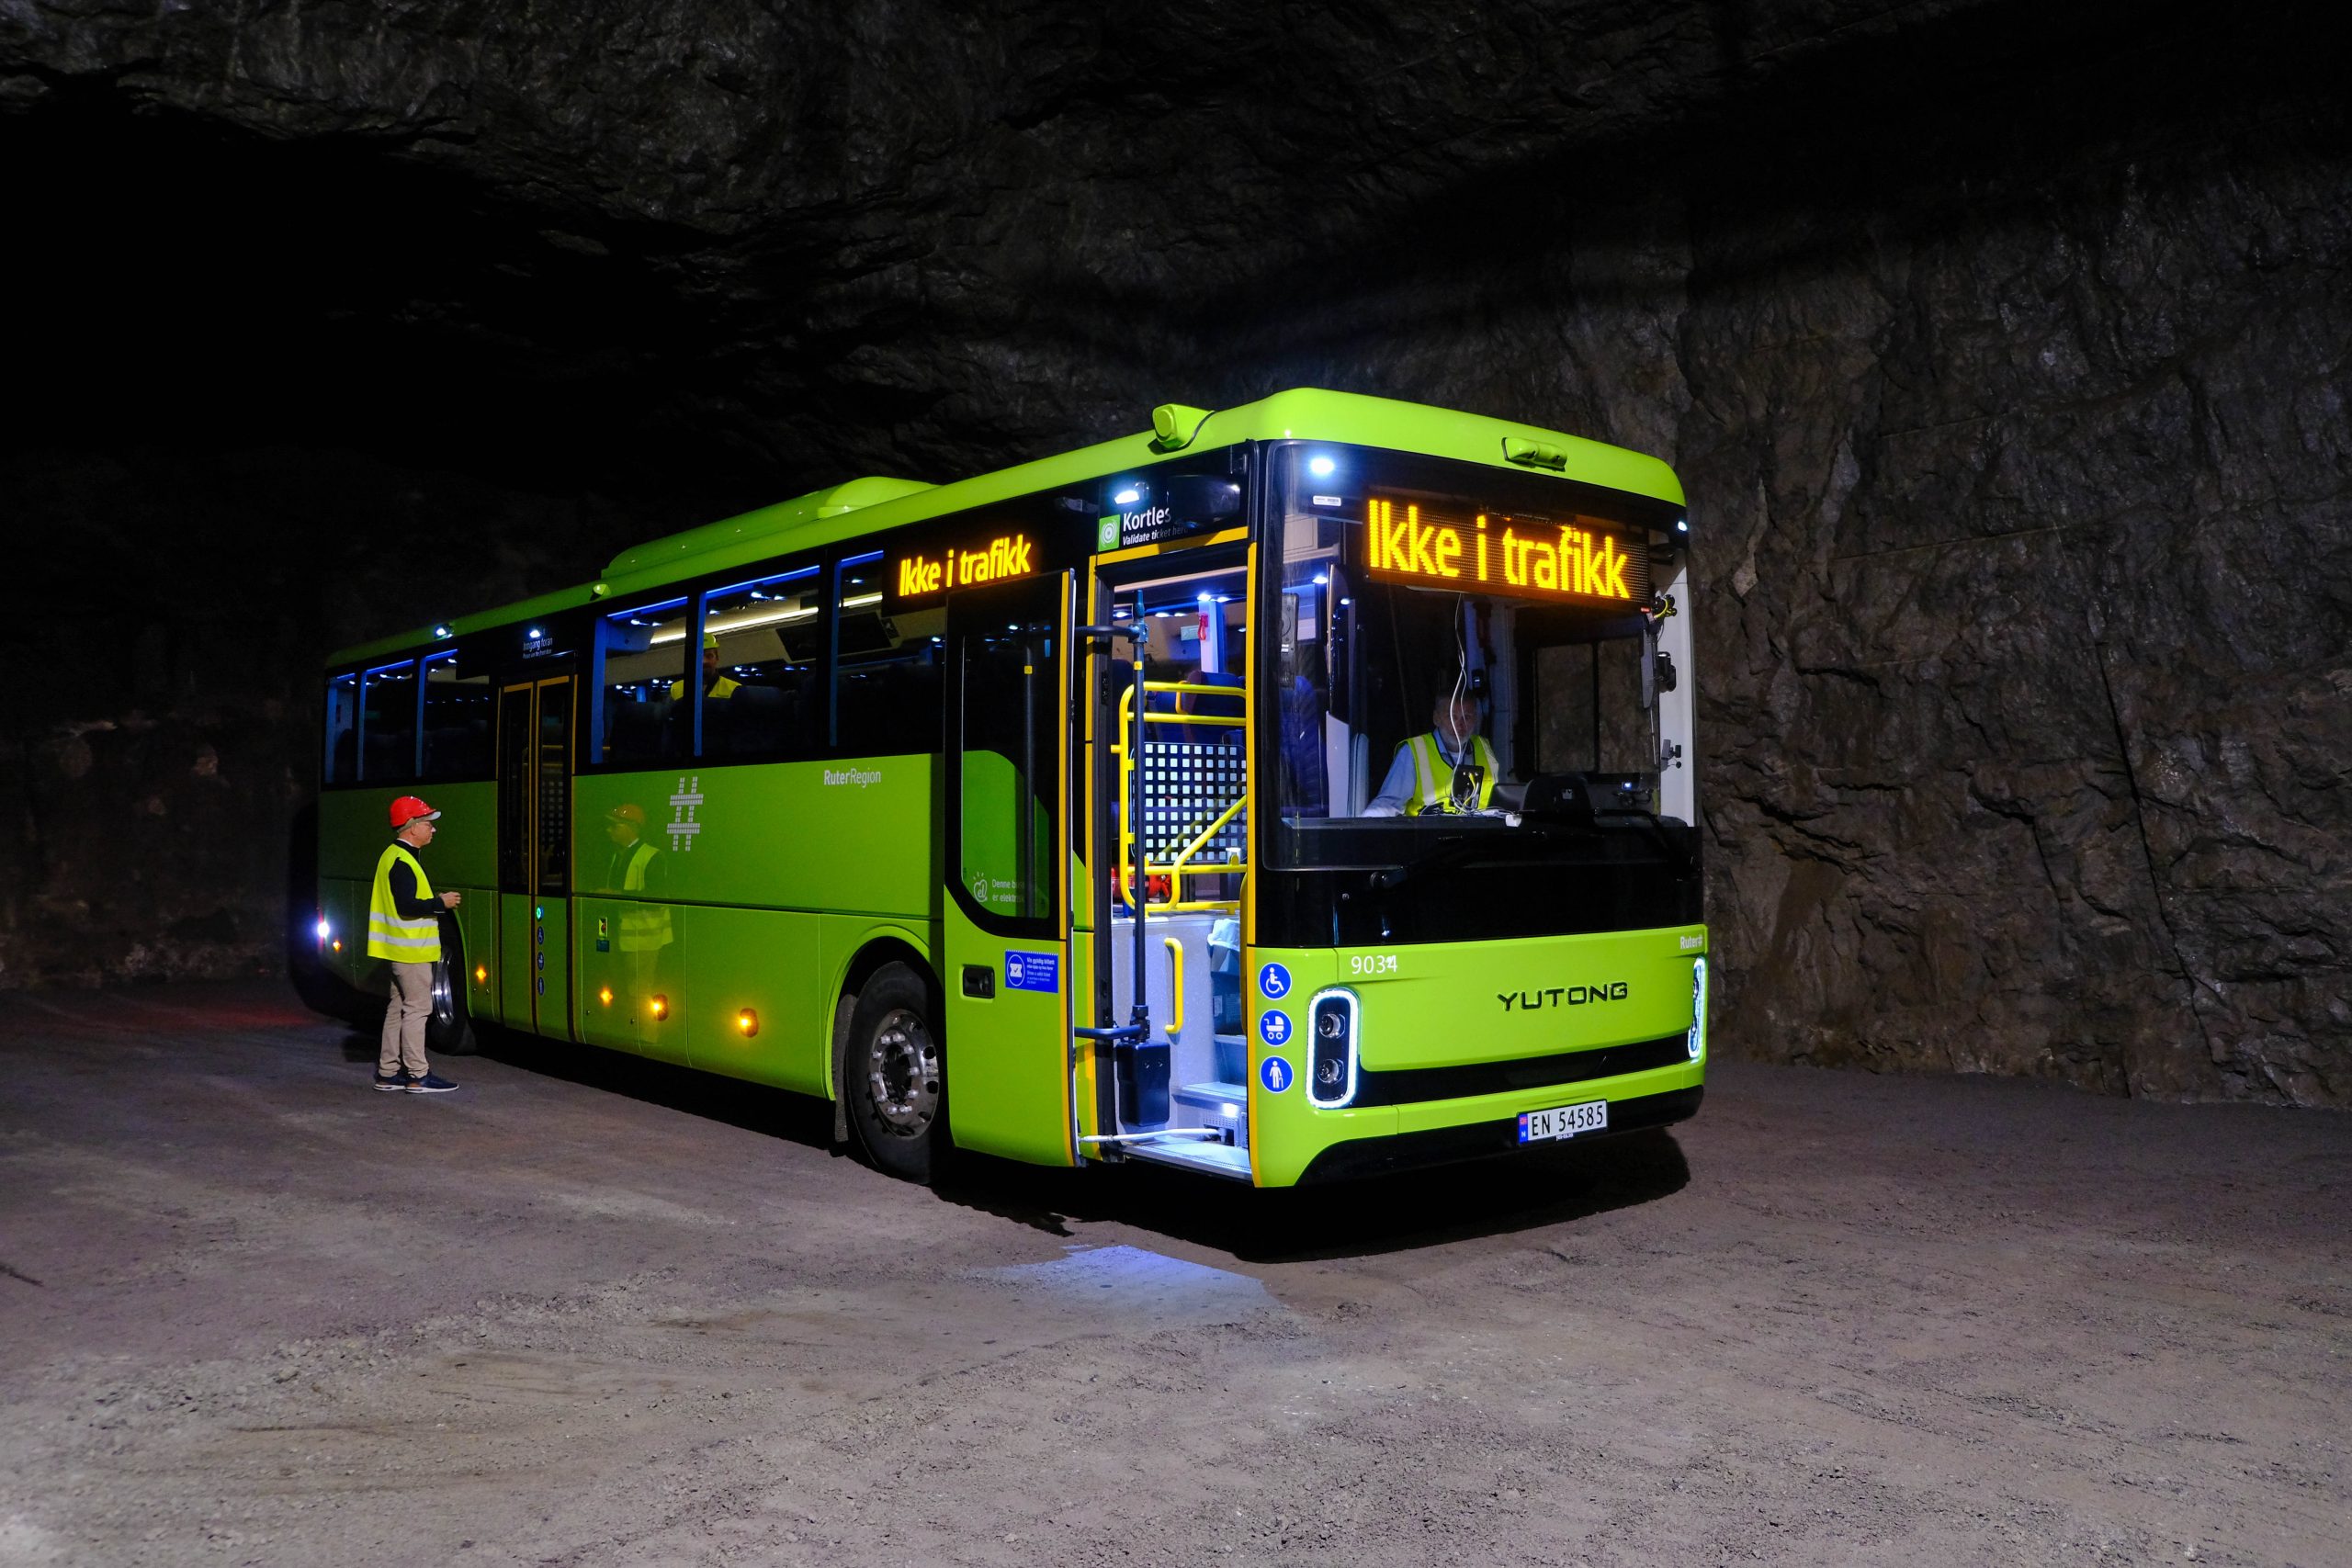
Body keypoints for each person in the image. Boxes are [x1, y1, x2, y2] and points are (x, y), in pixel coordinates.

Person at [369, 795, 461, 1093]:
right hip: (410, 951)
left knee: (398, 1008)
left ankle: (387, 1072)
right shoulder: (402, 861)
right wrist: (441, 903)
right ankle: (417, 1075)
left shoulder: (393, 856)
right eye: (427, 824)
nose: (432, 830)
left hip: (399, 949)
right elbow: (408, 905)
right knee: (418, 1009)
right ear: (411, 828)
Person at [600, 804, 673, 1044]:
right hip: (624, 936)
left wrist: (615, 894)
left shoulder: (652, 856)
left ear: (631, 828)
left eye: (614, 825)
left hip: (644, 937)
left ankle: (646, 1039)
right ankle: (630, 1035)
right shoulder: (616, 855)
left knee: (640, 991)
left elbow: (655, 897)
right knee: (626, 990)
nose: (609, 831)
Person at [1363, 689, 1501, 816]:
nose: (1459, 725)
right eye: (1452, 717)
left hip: (1476, 839)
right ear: (1436, 718)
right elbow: (1387, 806)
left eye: (1467, 717)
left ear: (1476, 719)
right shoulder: (1414, 752)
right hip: (1427, 840)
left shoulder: (1484, 747)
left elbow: (1498, 804)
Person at [668, 634, 741, 703]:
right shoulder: (676, 689)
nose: (704, 661)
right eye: (699, 656)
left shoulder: (734, 689)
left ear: (717, 659)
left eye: (709, 656)